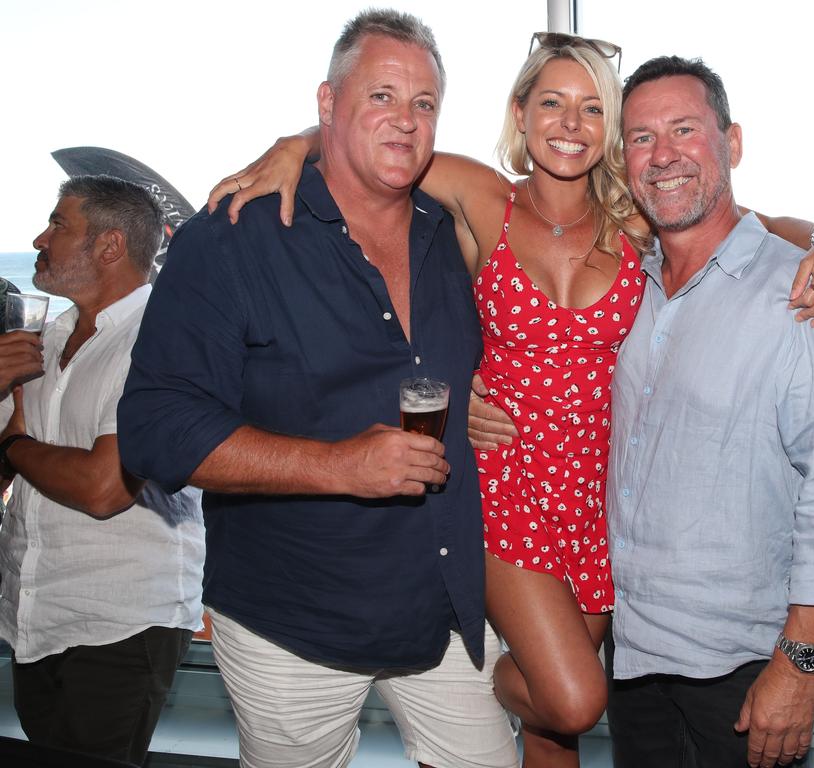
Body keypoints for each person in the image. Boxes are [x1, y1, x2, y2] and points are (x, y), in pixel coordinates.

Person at [210, 29, 814, 768]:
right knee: (574, 694)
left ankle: (483, 696)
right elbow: (369, 144)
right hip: (506, 484)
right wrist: (295, 145)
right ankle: (466, 685)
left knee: (559, 733)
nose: (570, 124)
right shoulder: (479, 196)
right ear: (521, 113)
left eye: (590, 109)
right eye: (551, 103)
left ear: (608, 128)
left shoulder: (634, 224)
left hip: (599, 500)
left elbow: (755, 226)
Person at [117, 11, 518, 768]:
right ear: (327, 104)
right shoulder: (232, 237)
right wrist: (337, 466)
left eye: (424, 103)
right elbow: (154, 427)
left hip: (447, 608)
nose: (405, 120)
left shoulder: (451, 236)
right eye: (381, 96)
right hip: (292, 622)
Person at [596, 56, 814, 768]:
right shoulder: (624, 289)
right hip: (632, 662)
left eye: (685, 130)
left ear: (731, 143)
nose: (662, 155)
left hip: (745, 674)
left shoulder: (804, 296)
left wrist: (799, 665)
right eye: (640, 138)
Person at [0, 175, 205, 767]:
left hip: (120, 621)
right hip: (32, 613)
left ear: (110, 246)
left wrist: (14, 446)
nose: (40, 238)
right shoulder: (42, 339)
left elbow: (103, 487)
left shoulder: (162, 341)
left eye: (58, 225)